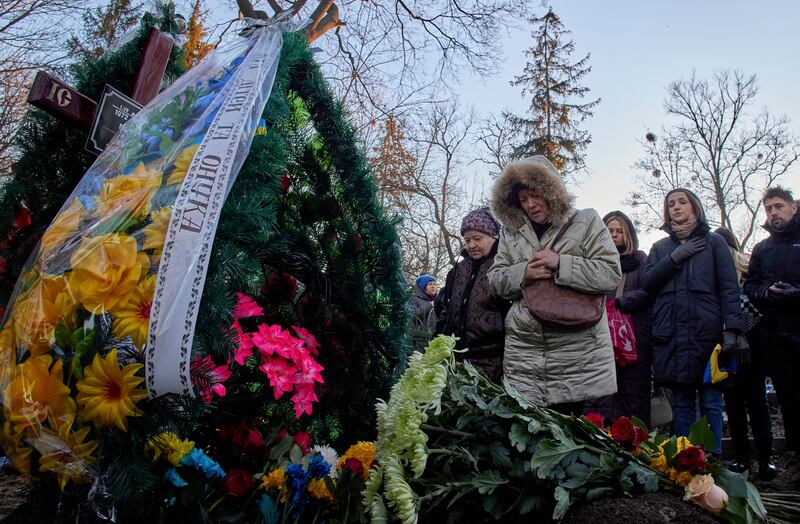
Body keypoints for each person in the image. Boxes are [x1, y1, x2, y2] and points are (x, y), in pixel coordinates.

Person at [487, 156, 621, 416]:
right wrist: (523, 273)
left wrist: (561, 264)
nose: (530, 204)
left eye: (535, 195)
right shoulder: (510, 232)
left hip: (576, 351)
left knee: (568, 439)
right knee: (531, 433)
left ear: (551, 190)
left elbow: (610, 273)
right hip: (525, 352)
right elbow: (495, 279)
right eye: (523, 199)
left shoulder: (587, 221)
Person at [642, 188, 744, 455]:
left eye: (682, 202)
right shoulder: (660, 248)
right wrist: (675, 257)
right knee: (682, 402)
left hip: (707, 336)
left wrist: (731, 331)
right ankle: (683, 464)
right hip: (671, 337)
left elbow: (729, 289)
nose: (676, 207)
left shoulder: (714, 243)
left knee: (711, 400)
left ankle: (711, 463)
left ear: (695, 208)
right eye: (671, 204)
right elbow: (647, 283)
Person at [743, 186, 800, 471]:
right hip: (775, 337)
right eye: (768, 209)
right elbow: (750, 286)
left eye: (778, 206)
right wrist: (766, 293)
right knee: (788, 399)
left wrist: (796, 293)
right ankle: (794, 455)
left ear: (794, 207)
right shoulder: (762, 249)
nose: (773, 212)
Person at [714, 226, 776, 480]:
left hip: (751, 347)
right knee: (740, 404)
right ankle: (750, 459)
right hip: (728, 347)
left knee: (750, 404)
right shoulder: (712, 272)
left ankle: (760, 458)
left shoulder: (748, 269)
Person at [583, 211, 653, 424]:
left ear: (628, 235)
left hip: (633, 340)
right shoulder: (592, 262)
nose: (614, 235)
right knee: (598, 399)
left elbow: (650, 290)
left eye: (619, 231)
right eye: (609, 231)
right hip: (598, 339)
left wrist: (623, 302)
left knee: (632, 399)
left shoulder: (640, 260)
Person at [435, 208, 509, 382]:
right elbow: (446, 309)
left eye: (477, 238)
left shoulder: (503, 266)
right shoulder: (457, 270)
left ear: (493, 237)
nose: (471, 245)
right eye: (467, 240)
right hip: (455, 359)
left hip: (491, 363)